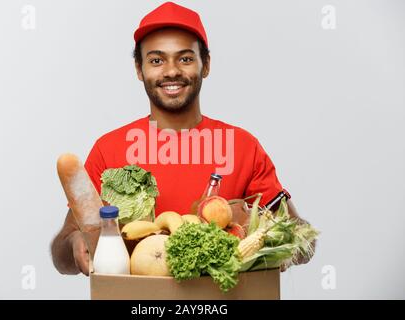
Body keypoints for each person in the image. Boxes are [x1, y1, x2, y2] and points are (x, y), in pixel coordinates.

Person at [51, 1, 315, 276]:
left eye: (185, 58)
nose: (171, 71)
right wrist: (74, 242)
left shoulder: (242, 146)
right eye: (156, 60)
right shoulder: (109, 149)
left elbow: (305, 241)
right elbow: (62, 256)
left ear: (206, 65)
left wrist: (276, 241)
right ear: (139, 70)